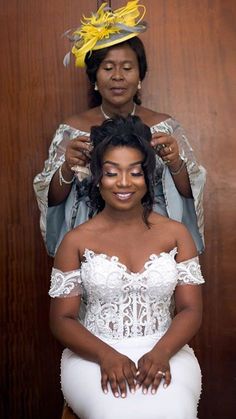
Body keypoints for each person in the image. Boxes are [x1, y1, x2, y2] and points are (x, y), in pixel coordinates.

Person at [49, 115, 205, 419]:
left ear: (148, 177)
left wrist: (161, 353)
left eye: (135, 172)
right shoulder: (76, 240)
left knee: (175, 411)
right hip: (92, 354)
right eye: (111, 172)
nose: (124, 183)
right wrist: (106, 355)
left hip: (168, 349)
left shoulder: (175, 233)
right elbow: (62, 319)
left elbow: (190, 310)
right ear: (97, 177)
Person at [33, 0, 206, 257]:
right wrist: (67, 166)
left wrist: (175, 163)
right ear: (94, 78)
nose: (117, 76)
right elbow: (52, 199)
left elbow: (190, 191)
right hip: (92, 242)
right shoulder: (72, 130)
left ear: (140, 77)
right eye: (107, 68)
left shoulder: (164, 126)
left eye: (127, 68)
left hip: (153, 240)